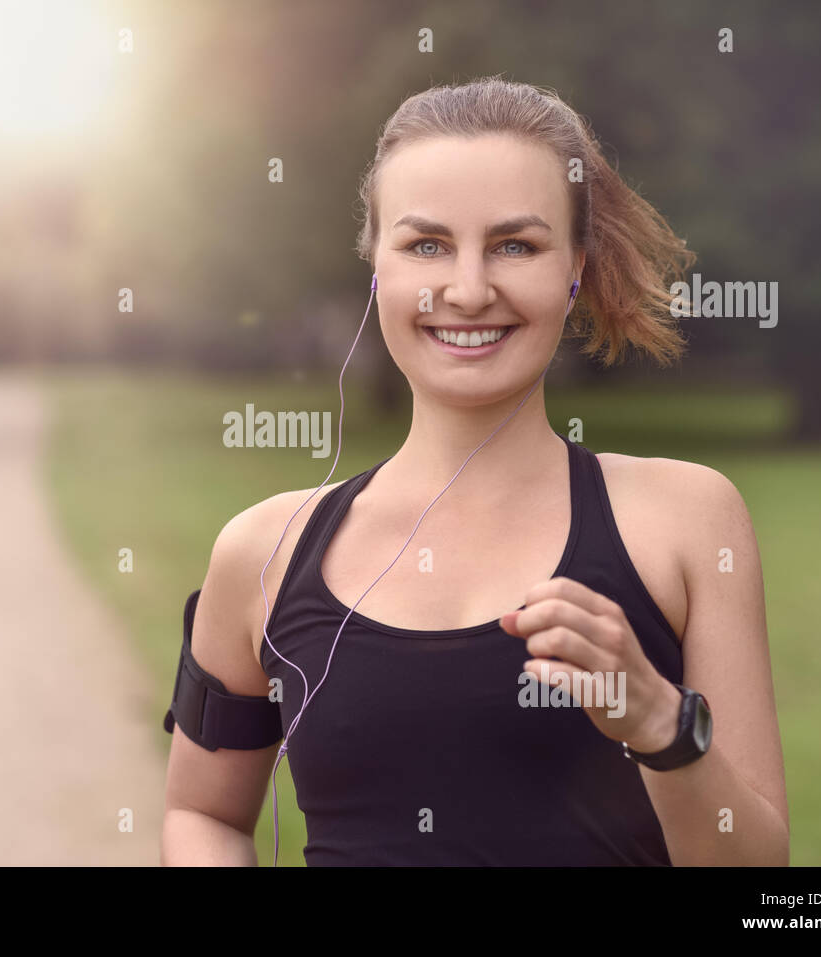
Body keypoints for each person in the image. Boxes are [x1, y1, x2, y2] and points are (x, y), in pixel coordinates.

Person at [161, 76, 788, 866]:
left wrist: (661, 725)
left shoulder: (689, 520)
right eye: (427, 244)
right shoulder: (261, 552)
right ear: (376, 267)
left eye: (515, 245)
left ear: (575, 269)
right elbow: (202, 814)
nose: (467, 289)